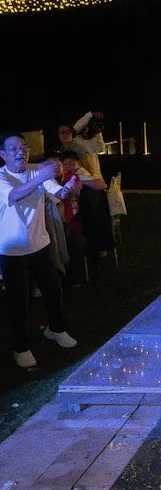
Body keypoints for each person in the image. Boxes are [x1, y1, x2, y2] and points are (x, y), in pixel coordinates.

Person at [0, 133, 78, 369]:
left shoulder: (37, 171)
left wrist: (68, 189)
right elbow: (15, 195)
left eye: (24, 147)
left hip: (40, 244)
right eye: (14, 148)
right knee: (19, 300)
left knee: (53, 290)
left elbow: (57, 192)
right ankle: (21, 348)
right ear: (3, 154)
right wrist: (44, 174)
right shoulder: (2, 177)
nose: (20, 152)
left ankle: (56, 329)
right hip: (12, 250)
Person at [58, 148, 107, 286]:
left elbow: (101, 184)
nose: (68, 166)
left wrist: (82, 182)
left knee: (76, 241)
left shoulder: (80, 174)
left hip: (76, 219)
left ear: (78, 163)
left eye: (71, 163)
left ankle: (71, 275)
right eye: (65, 163)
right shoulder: (61, 176)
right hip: (66, 217)